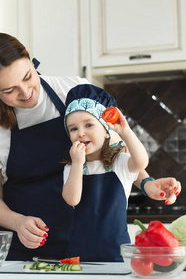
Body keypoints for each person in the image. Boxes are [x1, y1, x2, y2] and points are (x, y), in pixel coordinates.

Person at [0, 32, 181, 260]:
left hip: (88, 243)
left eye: (28, 76)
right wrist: (18, 222)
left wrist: (147, 182)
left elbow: (117, 150)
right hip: (27, 248)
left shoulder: (76, 92)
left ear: (31, 61)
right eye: (9, 90)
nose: (25, 92)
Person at [62, 85, 148, 261]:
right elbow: (72, 199)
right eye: (73, 129)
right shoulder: (71, 169)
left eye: (88, 125)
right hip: (79, 256)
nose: (80, 133)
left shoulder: (120, 163)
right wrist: (78, 163)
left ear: (107, 132)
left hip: (117, 256)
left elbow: (141, 162)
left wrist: (125, 132)